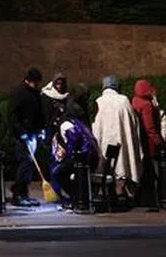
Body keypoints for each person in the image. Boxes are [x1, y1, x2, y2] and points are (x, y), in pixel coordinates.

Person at [91, 75, 143, 204]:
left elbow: (96, 125)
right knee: (122, 164)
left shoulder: (99, 101)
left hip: (104, 143)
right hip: (122, 141)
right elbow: (132, 122)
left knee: (105, 167)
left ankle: (104, 192)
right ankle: (121, 192)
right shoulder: (123, 100)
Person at [8, 68, 46, 207]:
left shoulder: (35, 94)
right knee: (24, 164)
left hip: (33, 133)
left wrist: (41, 129)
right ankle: (18, 194)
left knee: (29, 165)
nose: (37, 85)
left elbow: (39, 113)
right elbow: (13, 116)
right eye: (35, 82)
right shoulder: (19, 94)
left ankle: (24, 193)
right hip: (22, 136)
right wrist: (21, 132)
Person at [49, 105, 100, 207]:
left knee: (57, 172)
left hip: (83, 157)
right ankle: (77, 196)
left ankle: (75, 198)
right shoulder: (78, 122)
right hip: (91, 156)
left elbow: (73, 141)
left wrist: (67, 157)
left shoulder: (65, 125)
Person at [131, 80, 164, 206]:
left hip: (139, 141)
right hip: (149, 144)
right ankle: (152, 199)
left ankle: (140, 198)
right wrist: (159, 142)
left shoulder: (134, 101)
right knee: (152, 172)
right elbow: (150, 127)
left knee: (144, 172)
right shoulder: (147, 105)